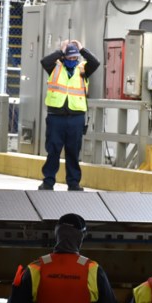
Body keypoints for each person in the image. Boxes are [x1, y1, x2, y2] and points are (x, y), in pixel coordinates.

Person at [39, 40, 100, 191]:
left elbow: (95, 62)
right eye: (69, 57)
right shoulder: (54, 67)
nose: (72, 60)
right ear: (64, 57)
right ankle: (48, 182)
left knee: (73, 151)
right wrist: (61, 50)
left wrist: (82, 48)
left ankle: (73, 183)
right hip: (56, 117)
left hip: (76, 118)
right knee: (53, 150)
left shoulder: (83, 69)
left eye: (75, 57)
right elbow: (44, 61)